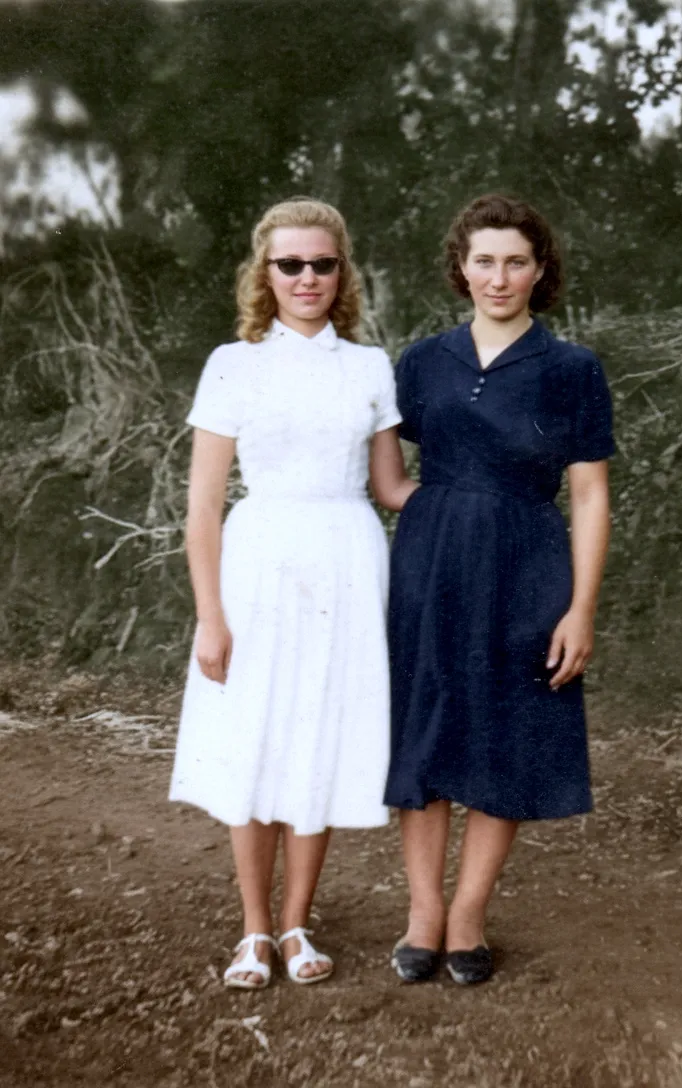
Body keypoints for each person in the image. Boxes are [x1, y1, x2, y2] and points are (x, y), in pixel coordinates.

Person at [169, 197, 415, 989]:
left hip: (345, 563)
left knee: (318, 734)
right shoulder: (232, 365)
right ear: (264, 274)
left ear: (342, 273)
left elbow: (390, 488)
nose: (306, 278)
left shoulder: (370, 366)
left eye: (322, 264)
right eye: (290, 264)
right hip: (259, 564)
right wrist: (211, 616)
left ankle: (299, 923)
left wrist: (485, 491)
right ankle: (253, 931)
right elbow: (203, 506)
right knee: (256, 736)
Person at [386, 194, 614, 985]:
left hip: (528, 565)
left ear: (540, 271)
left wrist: (580, 607)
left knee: (506, 735)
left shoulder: (573, 369)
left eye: (516, 260)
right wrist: (443, 512)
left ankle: (469, 916)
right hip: (431, 564)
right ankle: (422, 912)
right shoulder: (420, 362)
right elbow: (389, 475)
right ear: (460, 267)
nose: (499, 276)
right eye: (484, 259)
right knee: (426, 733)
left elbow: (588, 494)